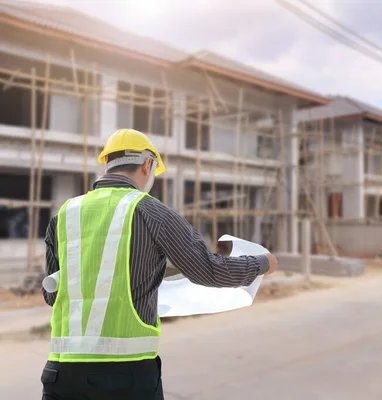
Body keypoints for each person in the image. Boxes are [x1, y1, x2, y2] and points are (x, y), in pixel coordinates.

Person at [40, 128, 277, 400]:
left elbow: (52, 294)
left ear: (107, 164)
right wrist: (262, 263)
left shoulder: (64, 215)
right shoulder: (153, 213)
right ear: (147, 164)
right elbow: (209, 270)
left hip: (61, 375)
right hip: (126, 378)